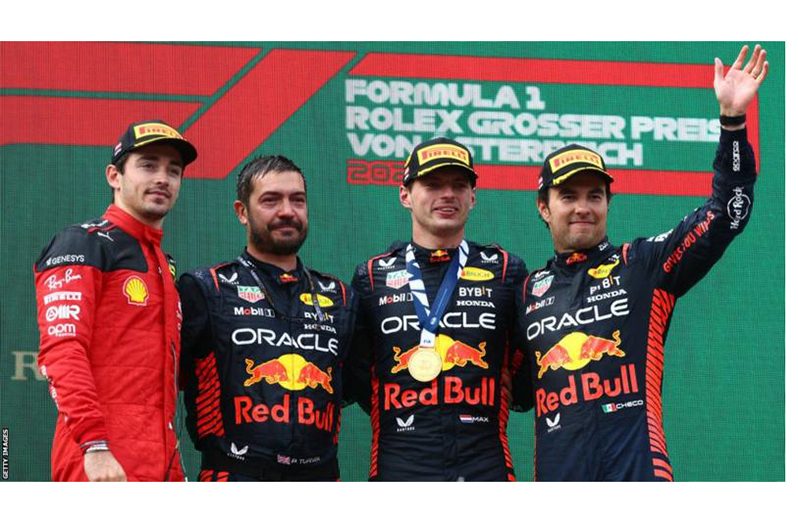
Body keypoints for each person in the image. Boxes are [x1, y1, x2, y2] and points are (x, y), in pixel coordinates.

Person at [516, 44, 768, 481]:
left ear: (609, 203)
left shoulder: (644, 264)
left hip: (638, 476)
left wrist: (732, 122)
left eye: (595, 196)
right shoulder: (524, 291)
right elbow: (514, 391)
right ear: (544, 206)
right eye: (568, 196)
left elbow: (728, 211)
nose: (583, 207)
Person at [348, 137, 532, 481]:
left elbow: (528, 369)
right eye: (432, 185)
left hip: (485, 465)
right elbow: (357, 375)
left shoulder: (506, 270)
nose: (447, 195)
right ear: (405, 195)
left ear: (472, 198)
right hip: (399, 464)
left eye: (459, 186)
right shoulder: (372, 277)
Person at [34, 120, 197, 481]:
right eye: (148, 165)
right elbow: (63, 351)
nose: (162, 178)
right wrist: (94, 446)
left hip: (160, 465)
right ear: (114, 176)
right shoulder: (82, 243)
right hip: (100, 464)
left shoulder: (163, 265)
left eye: (173, 171)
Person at [178, 155, 356, 481]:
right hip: (234, 476)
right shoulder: (206, 288)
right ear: (241, 212)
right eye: (270, 200)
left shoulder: (341, 297)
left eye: (297, 200)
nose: (287, 211)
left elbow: (352, 384)